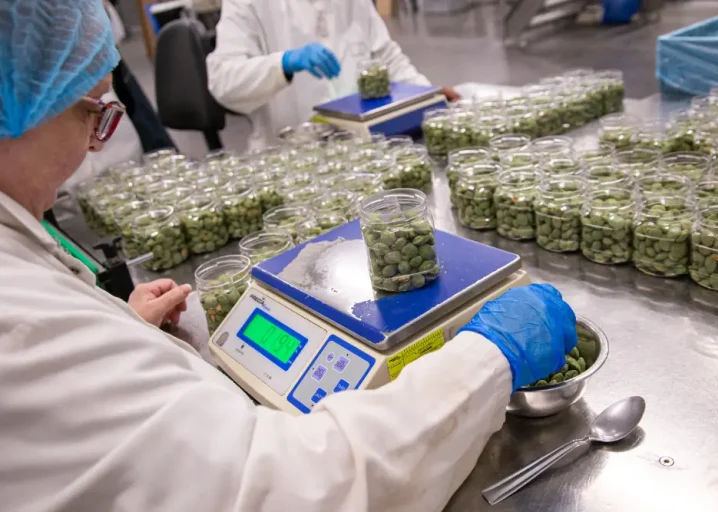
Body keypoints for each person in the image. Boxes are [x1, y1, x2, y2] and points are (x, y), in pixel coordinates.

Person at [0, 1, 576, 510]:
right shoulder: (24, 326)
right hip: (292, 146)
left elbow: (391, 58)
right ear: (17, 105)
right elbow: (295, 486)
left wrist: (120, 330)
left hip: (360, 153)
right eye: (98, 116)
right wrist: (489, 356)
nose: (94, 150)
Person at [207, 0, 461, 151]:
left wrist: (429, 97)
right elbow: (223, 81)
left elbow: (386, 57)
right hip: (291, 158)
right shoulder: (248, 4)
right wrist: (283, 64)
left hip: (362, 149)